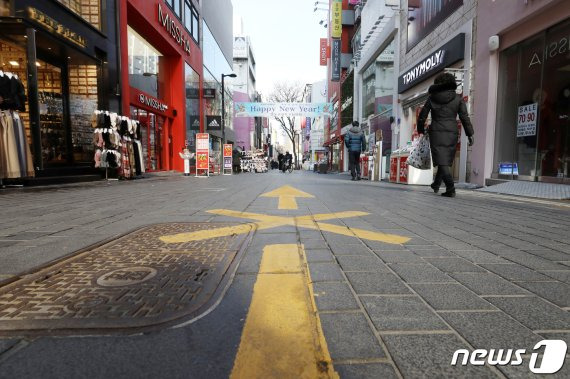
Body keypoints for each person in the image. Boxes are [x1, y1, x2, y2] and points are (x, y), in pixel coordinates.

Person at [417, 72, 474, 197]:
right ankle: (436, 184)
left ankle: (450, 188)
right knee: (445, 160)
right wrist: (470, 134)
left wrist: (421, 129)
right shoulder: (458, 98)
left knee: (442, 160)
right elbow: (464, 117)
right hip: (452, 131)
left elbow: (422, 116)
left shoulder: (432, 98)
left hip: (436, 131)